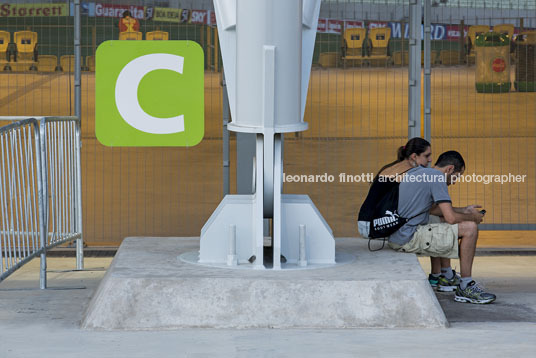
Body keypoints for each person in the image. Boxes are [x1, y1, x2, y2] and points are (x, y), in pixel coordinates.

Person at [388, 151, 496, 304]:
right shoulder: (437, 178)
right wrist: (474, 217)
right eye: (457, 176)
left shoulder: (420, 172)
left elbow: (431, 209)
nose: (455, 181)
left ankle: (446, 276)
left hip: (398, 233)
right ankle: (466, 287)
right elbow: (451, 218)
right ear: (450, 169)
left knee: (440, 219)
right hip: (409, 237)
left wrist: (464, 210)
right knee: (470, 228)